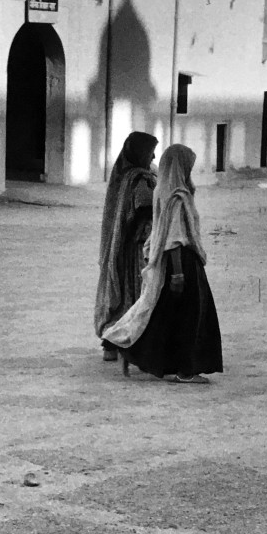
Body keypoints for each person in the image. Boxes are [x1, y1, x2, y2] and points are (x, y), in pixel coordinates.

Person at [100, 143, 223, 384]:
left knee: (163, 313)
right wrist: (178, 274)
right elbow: (176, 237)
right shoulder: (178, 196)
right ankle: (186, 370)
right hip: (182, 262)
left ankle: (135, 350)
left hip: (168, 261)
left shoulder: (163, 190)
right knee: (192, 317)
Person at [94, 131, 158, 361]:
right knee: (135, 294)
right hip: (136, 246)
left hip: (122, 245)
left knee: (121, 293)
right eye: (151, 152)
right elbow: (143, 203)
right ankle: (123, 343)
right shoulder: (139, 178)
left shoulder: (122, 175)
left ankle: (111, 344)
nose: (154, 157)